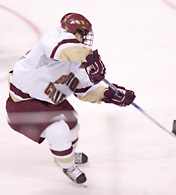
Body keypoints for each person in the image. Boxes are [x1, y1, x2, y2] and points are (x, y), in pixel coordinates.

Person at [6, 13, 135, 185]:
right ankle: (68, 166)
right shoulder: (54, 39)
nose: (85, 39)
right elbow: (65, 48)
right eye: (83, 33)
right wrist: (88, 57)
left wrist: (108, 94)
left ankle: (65, 157)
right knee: (58, 131)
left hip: (50, 101)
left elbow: (85, 88)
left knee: (73, 126)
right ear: (75, 32)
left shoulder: (75, 63)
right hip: (23, 103)